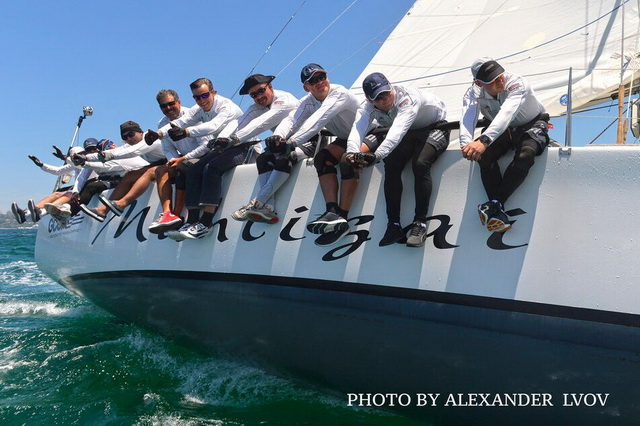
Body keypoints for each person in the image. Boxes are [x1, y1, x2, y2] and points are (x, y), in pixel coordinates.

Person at [346, 72, 450, 248]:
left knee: (420, 163)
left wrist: (377, 155)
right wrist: (351, 152)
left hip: (434, 127)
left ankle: (420, 223)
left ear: (391, 86)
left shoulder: (407, 98)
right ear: (369, 99)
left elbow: (397, 131)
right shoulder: (366, 107)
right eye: (378, 98)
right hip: (409, 133)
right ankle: (393, 225)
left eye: (386, 93)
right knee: (391, 166)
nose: (384, 99)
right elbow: (358, 129)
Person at [260, 63, 359, 246]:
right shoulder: (308, 102)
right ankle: (331, 211)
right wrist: (278, 136)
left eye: (322, 77)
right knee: (322, 158)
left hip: (368, 135)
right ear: (306, 88)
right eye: (313, 81)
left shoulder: (339, 93)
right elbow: (292, 120)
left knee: (347, 162)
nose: (320, 82)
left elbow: (318, 119)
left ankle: (343, 219)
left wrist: (292, 143)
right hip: (347, 138)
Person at [460, 57, 549, 233]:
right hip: (500, 129)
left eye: (499, 74)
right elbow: (467, 119)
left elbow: (506, 113)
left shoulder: (517, 83)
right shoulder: (473, 92)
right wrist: (467, 145)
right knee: (483, 157)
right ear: (479, 83)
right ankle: (496, 209)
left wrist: (484, 141)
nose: (500, 79)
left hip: (531, 123)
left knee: (526, 154)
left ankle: (495, 204)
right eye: (493, 80)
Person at [159, 79, 243, 241]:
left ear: (213, 93)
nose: (201, 100)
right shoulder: (199, 109)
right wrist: (158, 134)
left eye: (204, 95)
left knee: (211, 168)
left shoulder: (227, 106)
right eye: (197, 98)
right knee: (193, 169)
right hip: (221, 148)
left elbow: (212, 126)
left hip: (244, 148)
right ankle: (191, 220)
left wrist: (186, 132)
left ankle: (205, 224)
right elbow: (179, 122)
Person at [226, 73, 299, 224]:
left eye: (261, 91)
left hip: (307, 142)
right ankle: (268, 208)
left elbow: (262, 122)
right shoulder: (257, 107)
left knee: (283, 158)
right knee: (263, 158)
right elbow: (239, 122)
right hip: (283, 144)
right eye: (253, 95)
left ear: (270, 86)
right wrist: (221, 139)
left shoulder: (285, 100)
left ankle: (256, 203)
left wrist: (234, 140)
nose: (258, 97)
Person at [146, 90, 208, 233]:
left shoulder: (193, 116)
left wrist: (182, 159)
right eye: (163, 106)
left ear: (179, 102)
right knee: (160, 170)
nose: (168, 108)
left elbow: (205, 145)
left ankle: (176, 215)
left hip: (202, 155)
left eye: (171, 104)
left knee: (182, 168)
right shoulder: (162, 123)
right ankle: (167, 213)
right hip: (183, 159)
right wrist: (172, 160)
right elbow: (167, 149)